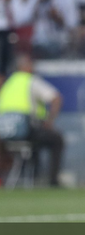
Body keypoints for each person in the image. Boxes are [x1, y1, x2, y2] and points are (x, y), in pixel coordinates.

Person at [0, 53, 63, 186]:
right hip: (26, 130)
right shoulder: (30, 81)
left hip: (5, 135)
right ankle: (53, 181)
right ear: (25, 67)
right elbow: (56, 98)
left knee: (33, 143)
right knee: (57, 140)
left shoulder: (7, 84)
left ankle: (27, 176)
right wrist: (49, 121)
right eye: (30, 64)